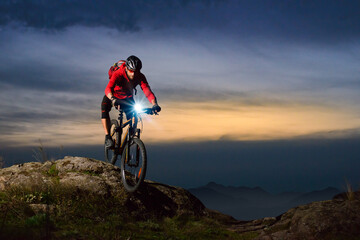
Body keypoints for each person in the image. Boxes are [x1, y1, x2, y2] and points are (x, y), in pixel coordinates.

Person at [101, 55, 161, 148]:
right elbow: (108, 88)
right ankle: (108, 137)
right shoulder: (118, 73)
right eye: (131, 71)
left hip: (127, 98)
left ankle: (131, 137)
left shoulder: (140, 77)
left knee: (134, 116)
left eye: (135, 71)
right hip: (114, 96)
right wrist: (112, 99)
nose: (133, 74)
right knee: (104, 109)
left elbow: (147, 91)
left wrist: (154, 104)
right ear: (127, 68)